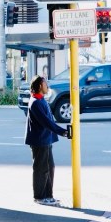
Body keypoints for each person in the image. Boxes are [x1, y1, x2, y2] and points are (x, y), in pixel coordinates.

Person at [25, 76, 69, 206]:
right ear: (39, 86)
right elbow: (46, 122)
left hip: (46, 139)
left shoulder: (40, 100)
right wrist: (62, 132)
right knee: (41, 169)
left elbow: (49, 120)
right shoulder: (35, 102)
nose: (48, 87)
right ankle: (39, 197)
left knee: (50, 167)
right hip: (40, 141)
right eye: (45, 84)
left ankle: (48, 196)